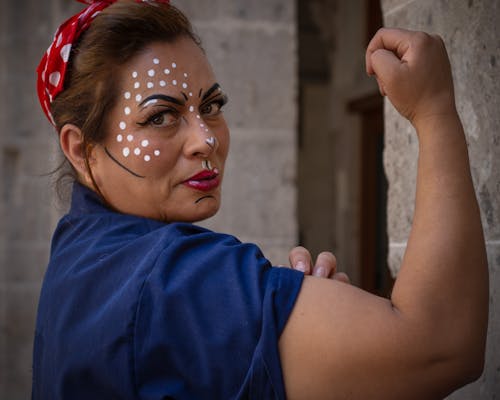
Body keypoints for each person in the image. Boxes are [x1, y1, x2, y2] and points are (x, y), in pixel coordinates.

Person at [32, 0, 489, 399]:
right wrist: (433, 109)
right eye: (161, 116)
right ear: (81, 149)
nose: (205, 139)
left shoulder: (80, 250)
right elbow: (440, 345)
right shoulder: (177, 280)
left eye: (211, 106)